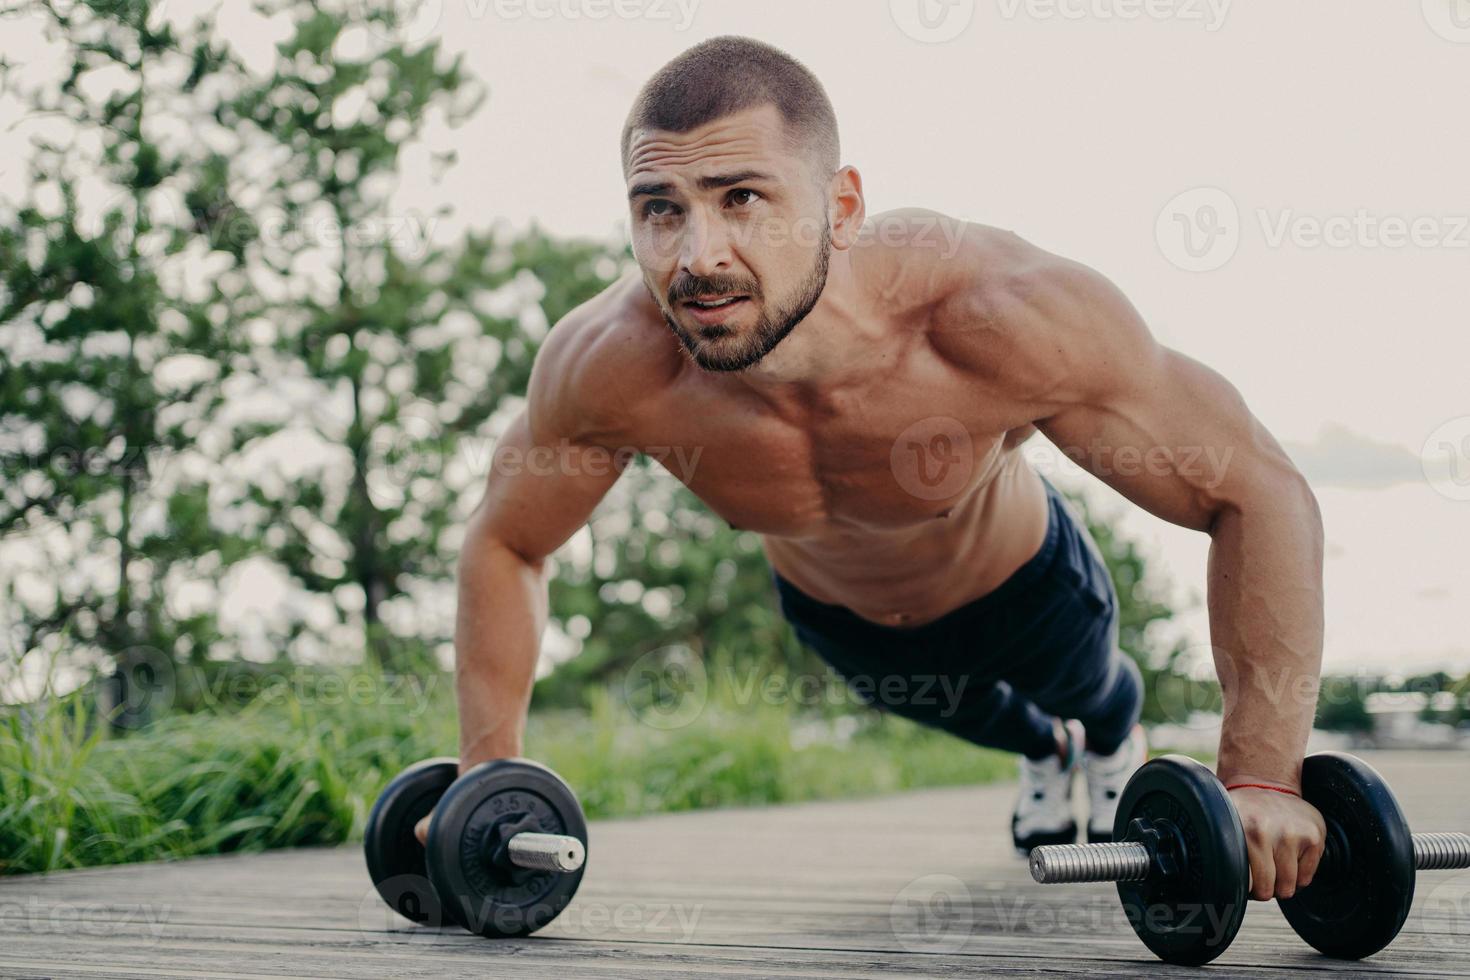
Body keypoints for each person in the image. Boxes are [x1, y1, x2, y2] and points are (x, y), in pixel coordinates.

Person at [421, 35, 1327, 901]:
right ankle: (1047, 756)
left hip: (1025, 585)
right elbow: (506, 543)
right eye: (660, 208)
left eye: (741, 198)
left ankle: (1109, 738)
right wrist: (486, 773)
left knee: (1090, 690)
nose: (696, 258)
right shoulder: (608, 368)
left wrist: (1264, 779)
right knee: (973, 716)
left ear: (842, 208)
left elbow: (1255, 490)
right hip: (843, 619)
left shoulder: (997, 313)